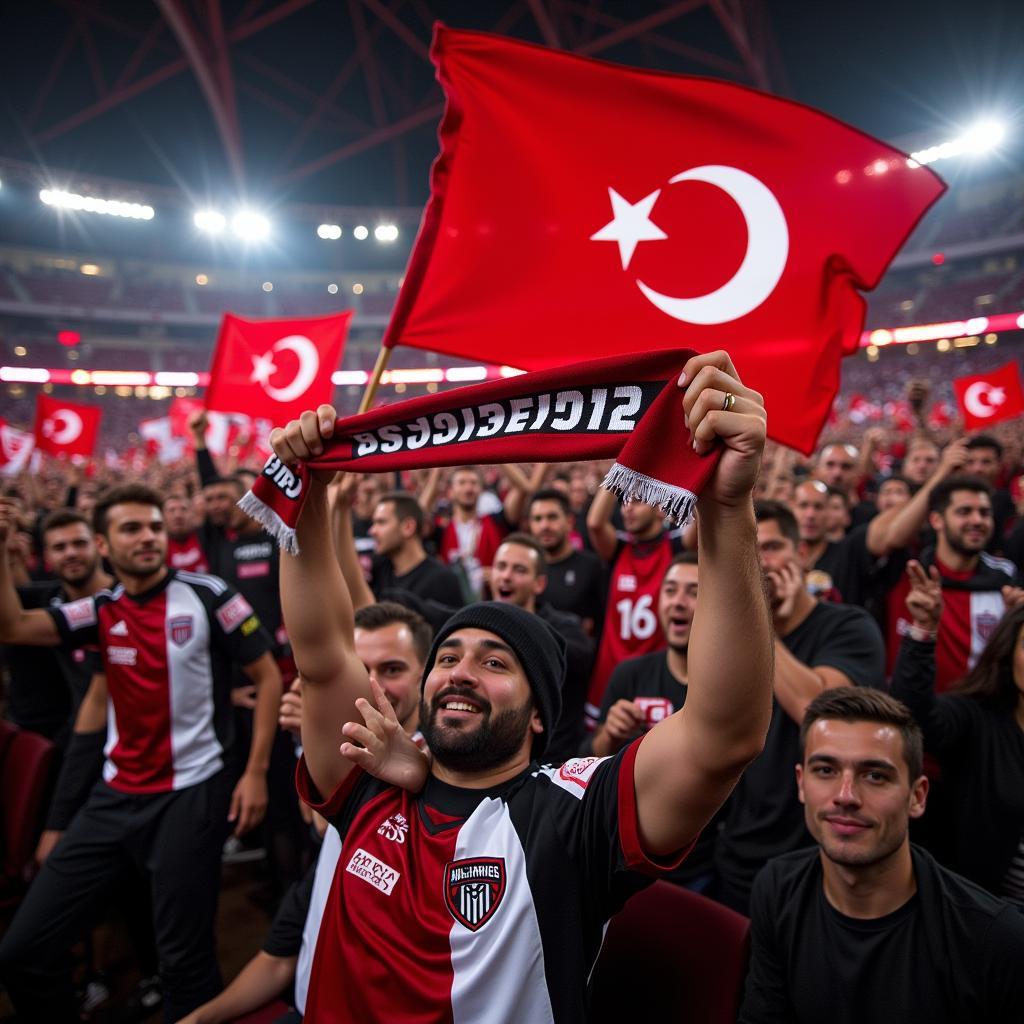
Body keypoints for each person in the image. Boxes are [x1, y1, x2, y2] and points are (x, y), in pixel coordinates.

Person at [269, 349, 773, 1022]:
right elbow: (325, 655)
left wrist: (727, 506)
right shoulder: (365, 773)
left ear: (541, 716)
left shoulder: (573, 816)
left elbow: (723, 732)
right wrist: (309, 496)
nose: (461, 673)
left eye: (496, 663)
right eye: (447, 656)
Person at [0, 484, 282, 1022]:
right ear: (104, 544)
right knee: (21, 953)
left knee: (184, 962)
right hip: (115, 796)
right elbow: (13, 625)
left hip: (191, 795)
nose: (149, 537)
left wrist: (255, 772)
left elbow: (267, 677)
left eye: (154, 526)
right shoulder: (99, 610)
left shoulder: (209, 594)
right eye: (132, 529)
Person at [176, 601, 434, 1024]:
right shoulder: (345, 779)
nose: (373, 687)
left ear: (425, 677)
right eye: (360, 670)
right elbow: (280, 954)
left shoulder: (444, 788)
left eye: (392, 670)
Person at [740, 687, 1024, 1023]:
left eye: (875, 776)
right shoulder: (776, 888)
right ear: (801, 784)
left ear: (917, 796)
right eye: (825, 770)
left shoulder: (996, 939)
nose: (845, 796)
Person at [714, 499, 885, 914]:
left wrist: (761, 625)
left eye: (769, 547)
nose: (757, 561)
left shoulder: (849, 626)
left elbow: (820, 711)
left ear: (802, 554)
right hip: (734, 850)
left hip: (813, 857)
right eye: (747, 549)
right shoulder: (723, 631)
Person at [891, 563, 1024, 902]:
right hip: (993, 918)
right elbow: (913, 716)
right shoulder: (978, 719)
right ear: (1008, 656)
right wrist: (923, 629)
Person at [883, 474, 1020, 688]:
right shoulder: (906, 572)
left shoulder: (1006, 579)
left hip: (981, 710)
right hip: (910, 709)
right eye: (964, 512)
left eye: (984, 513)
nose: (977, 521)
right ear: (936, 520)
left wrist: (1014, 622)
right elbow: (889, 538)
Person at [2, 507, 110, 745]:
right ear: (47, 558)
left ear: (99, 545)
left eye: (79, 543)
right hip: (69, 739)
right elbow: (9, 624)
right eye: (59, 547)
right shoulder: (44, 599)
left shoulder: (125, 598)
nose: (70, 553)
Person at [585, 490, 683, 727]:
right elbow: (595, 522)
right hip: (612, 670)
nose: (627, 508)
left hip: (658, 674)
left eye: (637, 501)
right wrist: (622, 470)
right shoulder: (618, 548)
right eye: (624, 502)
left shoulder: (678, 547)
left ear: (661, 509)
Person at [527, 488, 606, 636]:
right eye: (538, 519)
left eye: (552, 517)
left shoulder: (591, 567)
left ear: (569, 521)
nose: (544, 526)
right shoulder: (525, 570)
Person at [368, 490, 464, 608]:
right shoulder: (379, 571)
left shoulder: (442, 580)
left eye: (381, 522)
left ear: (408, 527)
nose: (372, 531)